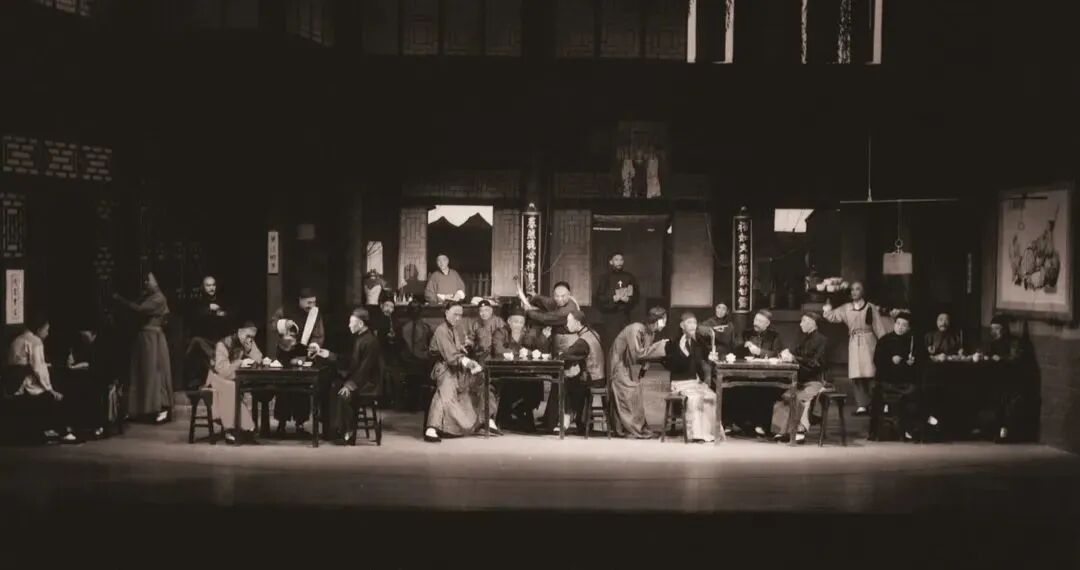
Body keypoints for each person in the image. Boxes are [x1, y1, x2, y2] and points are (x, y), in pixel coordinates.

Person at [423, 302, 500, 443]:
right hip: (444, 367)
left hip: (458, 367)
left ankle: (486, 418)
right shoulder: (441, 330)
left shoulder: (456, 328)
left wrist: (464, 349)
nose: (458, 318)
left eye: (460, 315)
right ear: (446, 312)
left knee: (482, 380)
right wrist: (467, 362)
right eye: (455, 314)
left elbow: (458, 348)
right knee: (446, 390)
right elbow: (451, 356)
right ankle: (432, 428)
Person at [823, 281, 900, 416]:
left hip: (869, 342)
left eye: (857, 289)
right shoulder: (846, 308)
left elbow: (878, 327)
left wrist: (885, 345)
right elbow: (831, 316)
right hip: (854, 342)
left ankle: (876, 403)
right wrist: (828, 304)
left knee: (871, 373)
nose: (854, 292)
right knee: (857, 375)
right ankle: (862, 405)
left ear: (863, 292)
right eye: (852, 289)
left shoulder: (870, 307)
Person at [4, 317, 79, 443]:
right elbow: (38, 368)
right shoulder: (35, 341)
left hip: (13, 382)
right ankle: (61, 430)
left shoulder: (17, 339)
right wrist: (50, 389)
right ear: (39, 330)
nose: (47, 333)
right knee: (56, 394)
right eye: (46, 330)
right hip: (25, 383)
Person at [113, 271, 173, 424]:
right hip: (144, 339)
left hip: (153, 340)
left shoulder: (159, 298)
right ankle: (141, 409)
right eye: (145, 281)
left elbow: (139, 309)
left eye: (148, 280)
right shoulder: (148, 296)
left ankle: (161, 408)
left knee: (154, 373)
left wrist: (120, 300)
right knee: (142, 374)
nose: (146, 283)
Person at [269, 287, 326, 436]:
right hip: (285, 353)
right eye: (308, 302)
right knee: (283, 388)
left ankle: (300, 424)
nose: (311, 306)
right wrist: (283, 324)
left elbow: (319, 334)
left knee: (303, 389)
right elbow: (273, 324)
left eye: (314, 302)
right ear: (300, 300)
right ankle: (281, 423)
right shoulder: (285, 309)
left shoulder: (315, 314)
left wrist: (314, 346)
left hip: (303, 353)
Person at [609, 307, 669, 439]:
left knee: (637, 395)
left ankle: (637, 428)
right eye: (663, 321)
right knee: (629, 395)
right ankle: (631, 429)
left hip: (630, 367)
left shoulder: (650, 333)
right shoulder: (635, 329)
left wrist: (644, 368)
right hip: (620, 366)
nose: (664, 324)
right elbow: (637, 354)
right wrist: (659, 346)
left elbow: (646, 354)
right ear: (657, 320)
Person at [769, 311, 829, 443]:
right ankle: (782, 430)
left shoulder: (822, 340)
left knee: (799, 398)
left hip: (815, 381)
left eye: (804, 321)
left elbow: (816, 363)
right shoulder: (804, 339)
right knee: (785, 396)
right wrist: (787, 354)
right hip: (801, 380)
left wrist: (794, 358)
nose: (801, 324)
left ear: (813, 323)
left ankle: (799, 431)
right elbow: (796, 353)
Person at [328, 308, 382, 445]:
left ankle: (348, 432)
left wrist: (349, 385)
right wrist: (329, 355)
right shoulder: (359, 338)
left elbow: (365, 369)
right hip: (360, 379)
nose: (349, 325)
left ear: (361, 324)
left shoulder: (371, 341)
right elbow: (351, 361)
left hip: (368, 383)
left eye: (351, 322)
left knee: (343, 394)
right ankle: (335, 429)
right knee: (333, 386)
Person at [728, 309, 786, 437]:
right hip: (748, 373)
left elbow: (777, 354)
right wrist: (743, 345)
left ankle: (761, 425)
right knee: (735, 388)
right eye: (755, 320)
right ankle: (741, 424)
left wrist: (760, 351)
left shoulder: (774, 336)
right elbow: (737, 349)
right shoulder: (747, 333)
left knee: (763, 391)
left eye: (760, 321)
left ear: (767, 323)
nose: (756, 323)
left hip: (768, 376)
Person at [544, 309, 604, 433]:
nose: (567, 325)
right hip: (598, 376)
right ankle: (575, 419)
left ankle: (561, 421)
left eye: (569, 321)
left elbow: (568, 354)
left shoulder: (583, 341)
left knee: (560, 384)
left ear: (577, 323)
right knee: (569, 379)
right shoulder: (592, 333)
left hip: (592, 378)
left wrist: (558, 355)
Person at [492, 306, 549, 430]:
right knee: (517, 383)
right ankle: (510, 414)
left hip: (522, 371)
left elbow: (536, 349)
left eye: (521, 322)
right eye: (515, 322)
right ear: (509, 321)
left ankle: (521, 411)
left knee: (536, 382)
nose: (518, 325)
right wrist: (519, 353)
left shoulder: (526, 334)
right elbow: (498, 350)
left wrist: (538, 344)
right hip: (504, 371)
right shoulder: (500, 332)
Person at [205, 321, 264, 444]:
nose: (250, 339)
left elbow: (258, 358)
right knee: (231, 388)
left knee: (234, 386)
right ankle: (232, 429)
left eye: (252, 337)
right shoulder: (223, 344)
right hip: (216, 378)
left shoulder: (247, 342)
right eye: (248, 336)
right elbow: (222, 370)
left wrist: (250, 349)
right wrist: (240, 363)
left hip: (232, 378)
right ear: (240, 332)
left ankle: (242, 428)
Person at [665, 312, 716, 442]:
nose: (693, 325)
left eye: (694, 322)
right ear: (682, 325)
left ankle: (708, 432)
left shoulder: (698, 341)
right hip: (679, 382)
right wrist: (683, 352)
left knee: (711, 396)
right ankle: (696, 434)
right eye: (689, 323)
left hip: (695, 381)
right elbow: (673, 366)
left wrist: (710, 358)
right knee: (695, 398)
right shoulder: (673, 342)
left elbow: (705, 358)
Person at [871, 312, 920, 442]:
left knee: (915, 394)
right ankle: (881, 431)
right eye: (898, 324)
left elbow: (919, 362)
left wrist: (912, 362)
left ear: (909, 328)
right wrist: (891, 360)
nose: (900, 327)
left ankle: (909, 430)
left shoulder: (912, 342)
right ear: (894, 324)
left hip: (905, 382)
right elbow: (877, 360)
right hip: (887, 381)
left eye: (904, 325)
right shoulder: (885, 340)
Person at [982, 315, 1028, 443]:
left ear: (1004, 329)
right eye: (992, 329)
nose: (994, 332)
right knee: (996, 404)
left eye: (997, 328)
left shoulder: (1014, 342)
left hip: (1011, 379)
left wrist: (1001, 359)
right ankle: (995, 430)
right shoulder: (993, 343)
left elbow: (1016, 358)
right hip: (997, 379)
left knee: (1008, 406)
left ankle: (1005, 432)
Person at [184, 275, 229, 390]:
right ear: (203, 287)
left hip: (218, 339)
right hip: (203, 337)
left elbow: (228, 317)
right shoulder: (198, 301)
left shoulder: (221, 300)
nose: (211, 288)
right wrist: (209, 309)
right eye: (208, 285)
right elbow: (194, 316)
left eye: (213, 285)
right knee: (196, 343)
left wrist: (221, 314)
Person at [594, 252, 639, 354]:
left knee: (624, 346)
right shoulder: (604, 278)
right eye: (616, 260)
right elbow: (598, 298)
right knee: (610, 345)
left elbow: (636, 296)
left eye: (621, 260)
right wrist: (613, 299)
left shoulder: (629, 277)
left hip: (624, 316)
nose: (619, 262)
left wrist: (628, 300)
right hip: (609, 318)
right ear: (611, 262)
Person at [400, 299, 433, 411]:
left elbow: (430, 344)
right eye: (413, 310)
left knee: (418, 374)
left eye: (416, 310)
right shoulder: (404, 327)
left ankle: (416, 403)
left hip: (420, 360)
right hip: (409, 360)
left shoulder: (425, 327)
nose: (415, 312)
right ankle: (412, 403)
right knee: (412, 374)